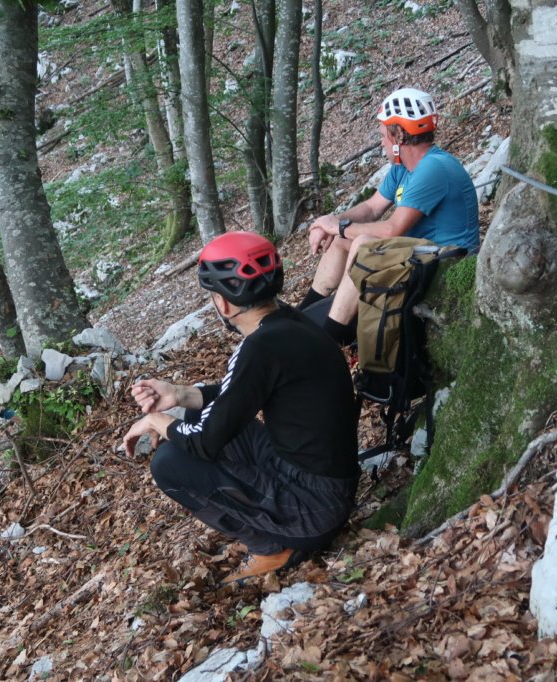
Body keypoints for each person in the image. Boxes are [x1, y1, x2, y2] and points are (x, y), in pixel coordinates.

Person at [122, 232, 360, 585]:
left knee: (169, 463)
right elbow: (239, 396)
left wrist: (157, 421)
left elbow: (205, 442)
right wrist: (179, 395)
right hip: (324, 484)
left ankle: (270, 547)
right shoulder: (289, 324)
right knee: (197, 415)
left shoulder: (259, 348)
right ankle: (268, 524)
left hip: (312, 509)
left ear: (224, 303)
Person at [299, 87, 480, 344]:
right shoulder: (402, 167)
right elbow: (371, 208)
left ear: (399, 134)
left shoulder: (434, 167)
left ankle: (331, 338)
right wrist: (329, 223)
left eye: (383, 134)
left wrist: (338, 226)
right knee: (342, 240)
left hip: (448, 261)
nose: (381, 141)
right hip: (421, 255)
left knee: (363, 244)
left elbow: (393, 229)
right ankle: (301, 319)